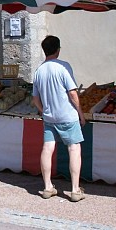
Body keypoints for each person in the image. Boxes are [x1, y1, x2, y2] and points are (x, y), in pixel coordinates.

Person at [32, 35, 86, 202]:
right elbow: (72, 93)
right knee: (74, 149)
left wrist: (43, 110)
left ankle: (48, 187)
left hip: (49, 117)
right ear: (58, 50)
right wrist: (81, 113)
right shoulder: (63, 67)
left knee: (47, 149)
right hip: (67, 115)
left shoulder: (39, 70)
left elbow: (35, 98)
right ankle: (75, 189)